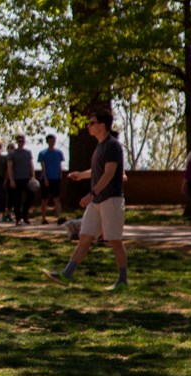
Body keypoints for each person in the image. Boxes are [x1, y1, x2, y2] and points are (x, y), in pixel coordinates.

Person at [44, 109, 130, 291]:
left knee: (114, 240)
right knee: (85, 236)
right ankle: (66, 275)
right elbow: (98, 171)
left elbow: (109, 174)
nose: (88, 126)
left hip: (111, 200)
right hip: (97, 201)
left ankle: (123, 281)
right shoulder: (100, 146)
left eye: (92, 122)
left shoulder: (112, 146)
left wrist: (91, 194)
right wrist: (81, 175)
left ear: (102, 125)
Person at [6, 134, 36, 225]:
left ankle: (24, 215)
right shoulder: (12, 154)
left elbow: (31, 165)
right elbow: (10, 168)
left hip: (27, 179)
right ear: (17, 142)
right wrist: (11, 180)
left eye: (23, 141)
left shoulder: (28, 153)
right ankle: (18, 218)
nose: (21, 143)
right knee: (17, 200)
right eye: (19, 141)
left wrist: (33, 176)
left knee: (31, 196)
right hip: (17, 179)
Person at [38, 134, 66, 225]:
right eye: (50, 140)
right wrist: (45, 178)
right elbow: (43, 167)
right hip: (46, 178)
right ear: (48, 141)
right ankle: (43, 218)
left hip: (56, 178)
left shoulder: (59, 153)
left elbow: (60, 166)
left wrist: (60, 175)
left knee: (56, 198)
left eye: (53, 140)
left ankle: (59, 217)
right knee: (44, 199)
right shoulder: (43, 153)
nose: (52, 142)